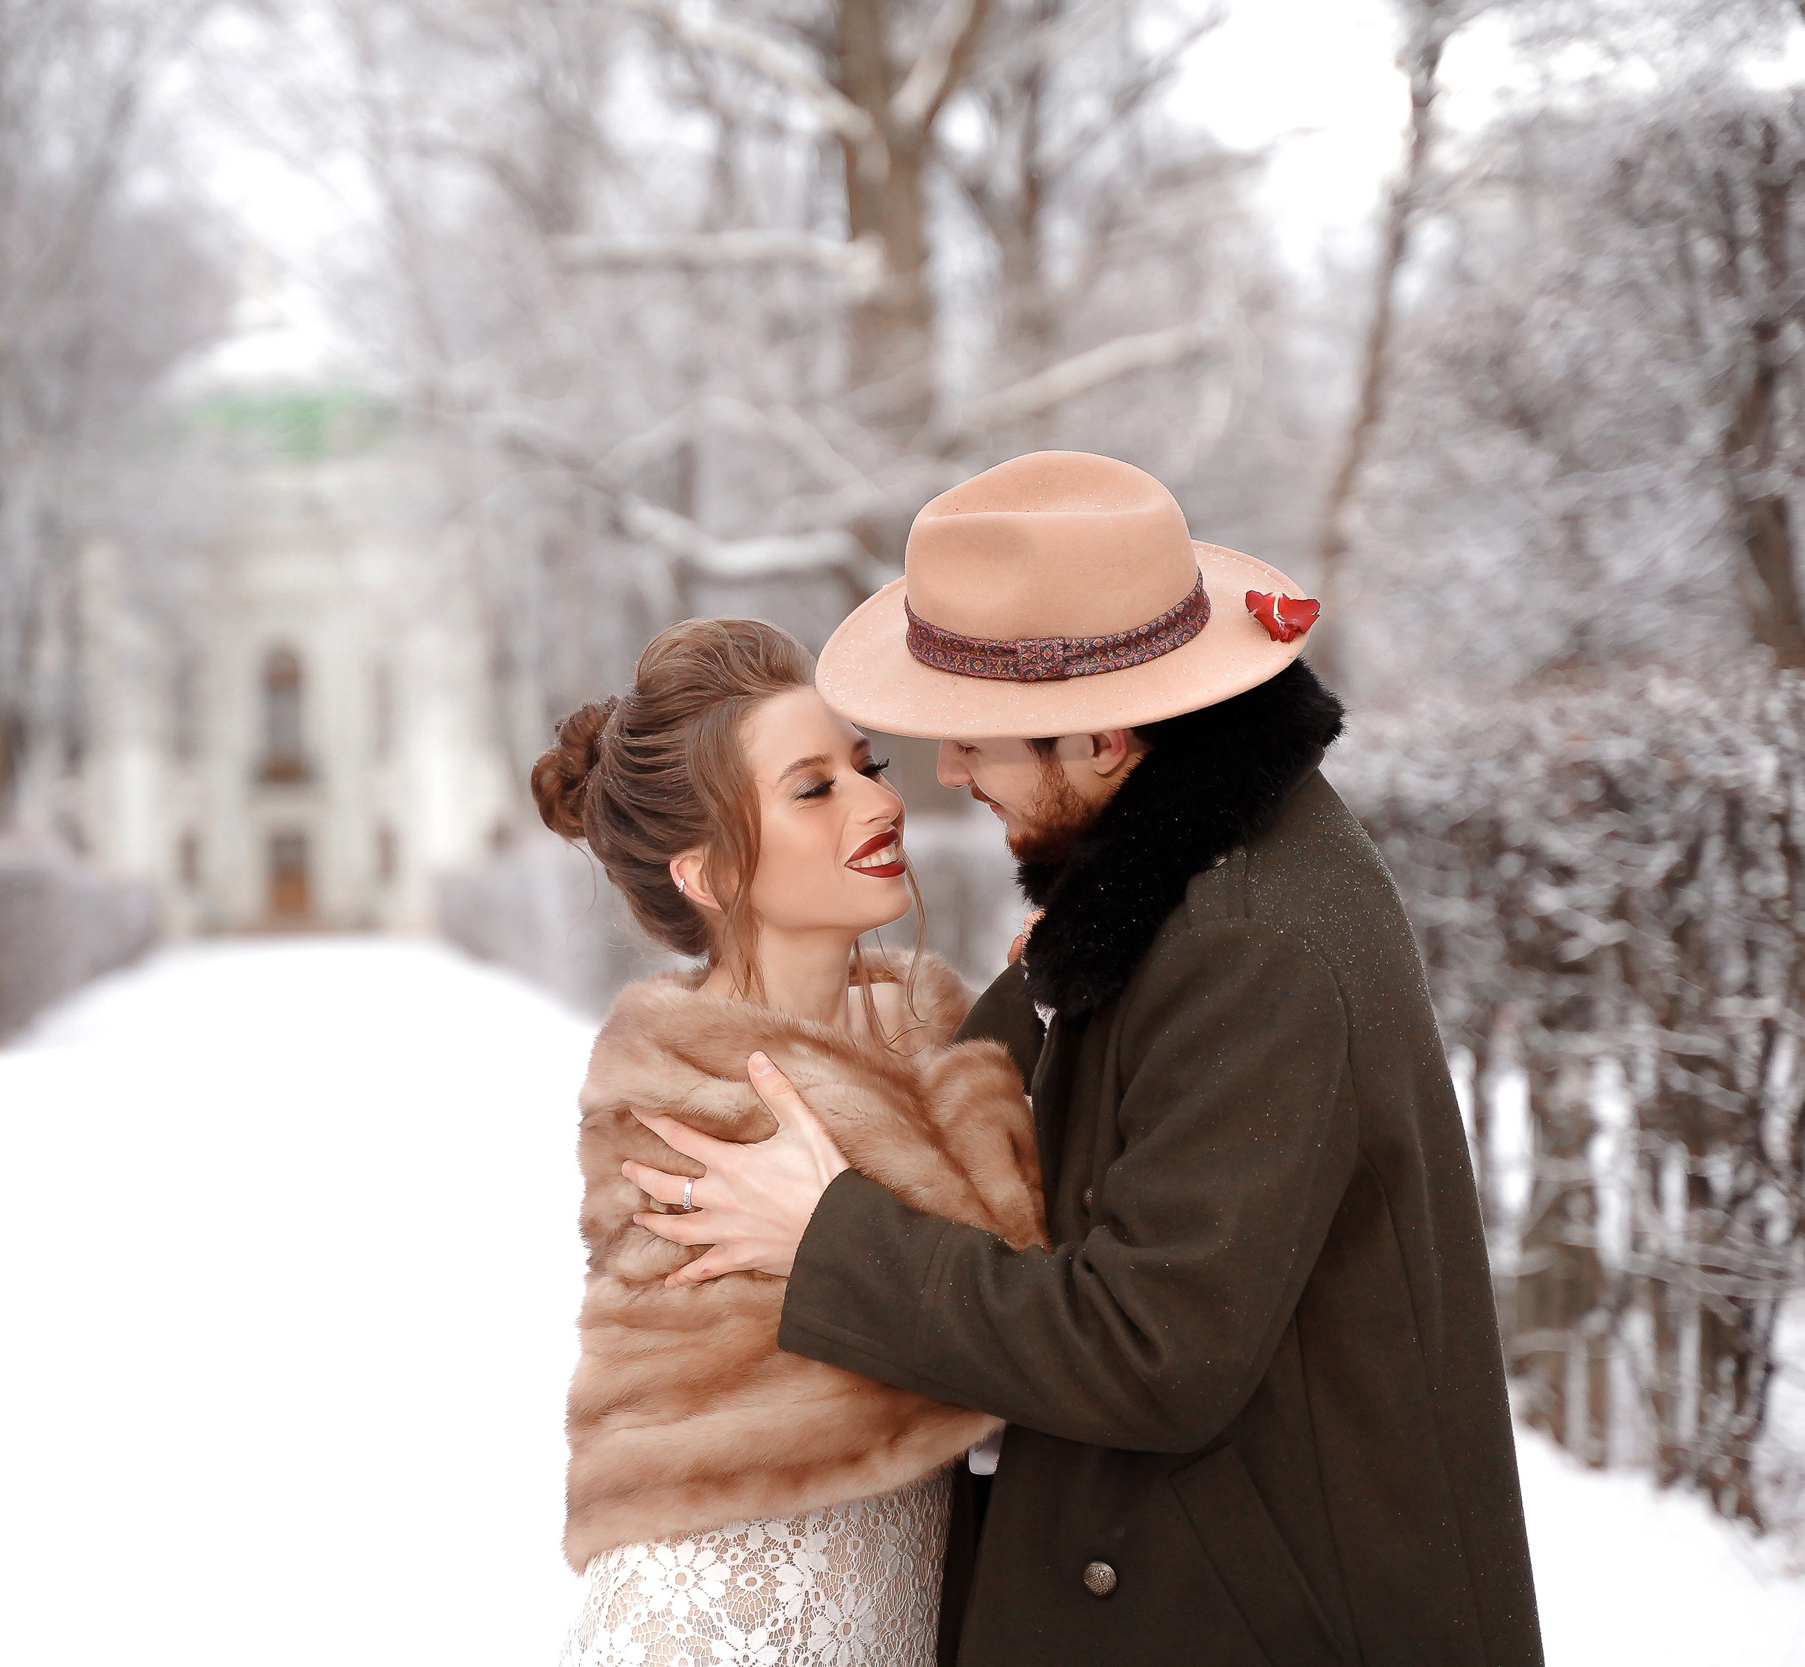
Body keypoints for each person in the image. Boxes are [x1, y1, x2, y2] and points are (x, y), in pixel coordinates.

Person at [625, 451, 1544, 1666]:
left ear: (1105, 737)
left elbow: (1153, 1348)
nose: (944, 775)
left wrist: (827, 1235)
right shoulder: (1162, 890)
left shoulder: (1253, 940)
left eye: (980, 741)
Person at [538, 617, 1052, 1667]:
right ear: (709, 873)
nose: (881, 800)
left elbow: (1009, 1310)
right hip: (722, 1616)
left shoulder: (936, 1039)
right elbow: (1012, 1344)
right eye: (814, 788)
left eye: (866, 765)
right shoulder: (699, 1111)